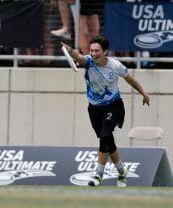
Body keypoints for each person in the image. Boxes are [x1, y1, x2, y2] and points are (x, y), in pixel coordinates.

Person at [61, 36, 150, 187]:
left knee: (105, 136)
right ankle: (122, 171)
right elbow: (80, 58)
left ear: (104, 52)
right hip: (94, 108)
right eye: (91, 50)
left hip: (114, 106)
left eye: (97, 51)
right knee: (108, 141)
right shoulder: (88, 61)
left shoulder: (115, 65)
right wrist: (70, 50)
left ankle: (98, 175)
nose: (93, 53)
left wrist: (144, 93)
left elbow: (131, 80)